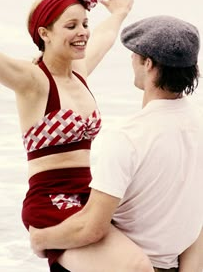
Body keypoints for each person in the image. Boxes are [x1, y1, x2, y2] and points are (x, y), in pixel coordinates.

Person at [0, 0, 154, 272]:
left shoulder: (78, 72)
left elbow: (105, 38)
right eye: (71, 26)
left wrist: (119, 12)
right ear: (45, 33)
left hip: (91, 194)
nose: (82, 32)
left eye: (84, 24)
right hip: (51, 201)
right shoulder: (32, 81)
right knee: (135, 267)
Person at [29, 15, 203, 272]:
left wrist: (41, 240)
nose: (131, 60)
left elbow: (92, 228)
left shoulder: (129, 136)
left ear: (149, 64)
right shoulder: (198, 120)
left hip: (126, 264)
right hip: (176, 263)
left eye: (134, 55)